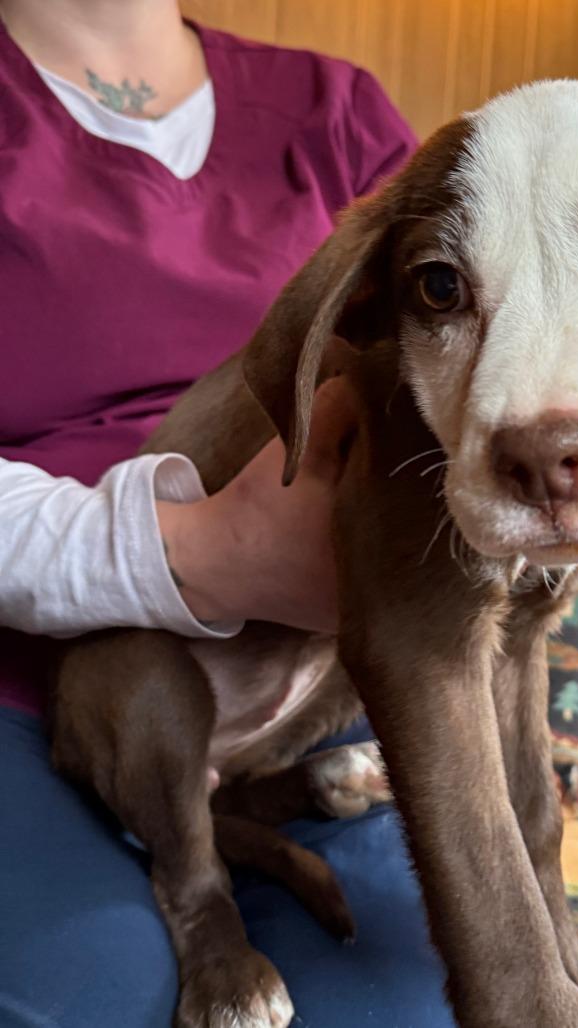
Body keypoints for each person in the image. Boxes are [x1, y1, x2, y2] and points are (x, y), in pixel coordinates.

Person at [0, 2, 456, 1024]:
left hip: (317, 690)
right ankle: (194, 884)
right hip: (27, 688)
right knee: (88, 994)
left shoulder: (337, 115)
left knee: (424, 994)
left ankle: (264, 805)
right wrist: (194, 555)